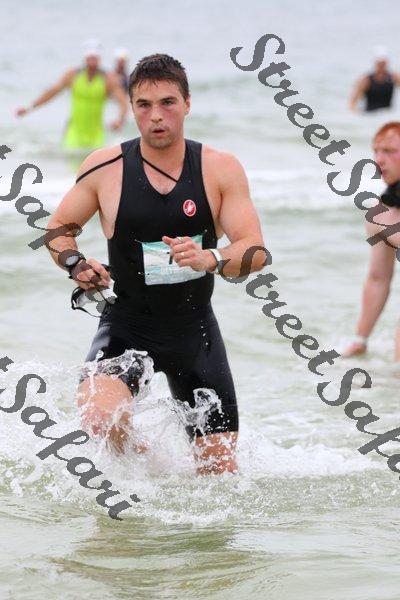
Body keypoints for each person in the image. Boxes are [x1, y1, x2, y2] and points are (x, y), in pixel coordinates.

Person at [45, 54, 266, 474]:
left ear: (187, 103)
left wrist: (211, 257)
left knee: (219, 474)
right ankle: (146, 469)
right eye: (144, 105)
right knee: (97, 418)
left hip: (195, 334)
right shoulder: (105, 167)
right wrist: (75, 263)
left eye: (167, 102)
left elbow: (255, 250)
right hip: (126, 326)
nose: (156, 116)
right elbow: (58, 229)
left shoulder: (219, 168)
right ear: (131, 108)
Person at [343, 122, 400, 359]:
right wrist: (361, 340)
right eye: (376, 151)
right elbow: (378, 279)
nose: (379, 159)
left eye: (389, 151)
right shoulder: (380, 214)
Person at [16, 39, 128, 150]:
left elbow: (123, 102)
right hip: (73, 134)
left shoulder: (108, 78)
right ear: (85, 58)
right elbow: (52, 92)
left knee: (97, 160)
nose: (93, 60)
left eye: (95, 57)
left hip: (97, 136)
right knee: (71, 160)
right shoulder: (73, 75)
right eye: (90, 57)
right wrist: (28, 108)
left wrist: (120, 121)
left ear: (99, 58)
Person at [349, 46, 400, 112]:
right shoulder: (366, 79)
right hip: (370, 114)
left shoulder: (394, 77)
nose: (381, 66)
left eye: (383, 63)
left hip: (387, 113)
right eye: (379, 63)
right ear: (375, 63)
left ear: (387, 63)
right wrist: (356, 112)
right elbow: (353, 101)